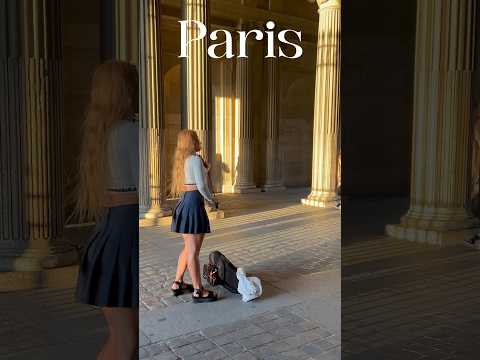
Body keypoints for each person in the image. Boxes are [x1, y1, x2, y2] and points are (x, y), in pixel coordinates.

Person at [73, 61, 139, 360]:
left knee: (124, 341)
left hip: (111, 237)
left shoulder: (103, 133)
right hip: (124, 241)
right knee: (125, 344)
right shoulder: (129, 132)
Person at [170, 130, 219, 303]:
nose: (199, 141)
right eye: (196, 139)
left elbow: (193, 181)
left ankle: (177, 283)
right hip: (193, 205)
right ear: (191, 143)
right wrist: (212, 200)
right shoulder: (195, 159)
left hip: (185, 203)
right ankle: (199, 290)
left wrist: (205, 170)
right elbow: (201, 186)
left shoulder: (183, 160)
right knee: (193, 251)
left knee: (188, 248)